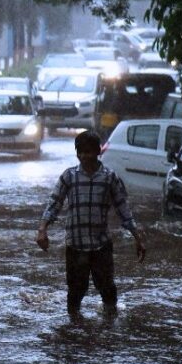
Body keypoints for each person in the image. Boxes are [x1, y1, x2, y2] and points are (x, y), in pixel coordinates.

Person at [37, 131, 146, 319]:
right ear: (76, 153)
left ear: (98, 152)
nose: (84, 156)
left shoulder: (109, 177)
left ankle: (109, 328)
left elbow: (123, 209)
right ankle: (74, 328)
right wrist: (42, 229)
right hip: (75, 244)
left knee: (107, 289)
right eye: (81, 152)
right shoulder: (69, 176)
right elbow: (54, 203)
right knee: (75, 291)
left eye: (89, 152)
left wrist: (137, 238)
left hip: (100, 245)